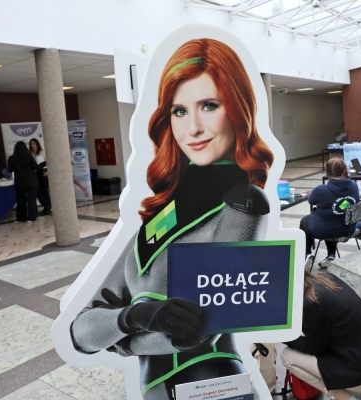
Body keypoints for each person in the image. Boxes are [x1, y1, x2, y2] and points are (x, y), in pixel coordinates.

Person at [70, 38, 274, 400]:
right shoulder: (165, 210)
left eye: (209, 105)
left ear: (237, 108)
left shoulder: (241, 205)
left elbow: (199, 332)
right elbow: (82, 332)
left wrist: (121, 335)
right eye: (179, 111)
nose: (193, 128)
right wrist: (133, 318)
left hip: (214, 387)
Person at [281, 272, 361, 400]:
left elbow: (314, 348)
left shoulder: (311, 302)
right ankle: (360, 393)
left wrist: (284, 336)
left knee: (287, 356)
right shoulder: (325, 278)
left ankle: (345, 396)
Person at [300, 158, 359, 269]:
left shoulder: (321, 190)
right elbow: (354, 201)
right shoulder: (354, 186)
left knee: (305, 221)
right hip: (347, 229)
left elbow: (311, 201)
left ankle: (307, 254)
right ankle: (331, 255)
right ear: (344, 171)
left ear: (327, 173)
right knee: (332, 217)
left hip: (323, 230)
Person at [8, 141, 40, 223]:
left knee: (20, 200)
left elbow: (10, 170)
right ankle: (31, 217)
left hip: (20, 181)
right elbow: (36, 167)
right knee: (31, 200)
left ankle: (20, 218)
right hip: (31, 181)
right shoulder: (29, 156)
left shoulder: (12, 158)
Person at [29, 139, 51, 215]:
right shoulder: (30, 154)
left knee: (44, 190)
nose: (32, 145)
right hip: (35, 174)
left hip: (43, 172)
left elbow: (49, 162)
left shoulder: (42, 152)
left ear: (37, 144)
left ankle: (48, 207)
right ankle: (45, 205)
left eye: (34, 143)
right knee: (38, 191)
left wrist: (48, 172)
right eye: (31, 144)